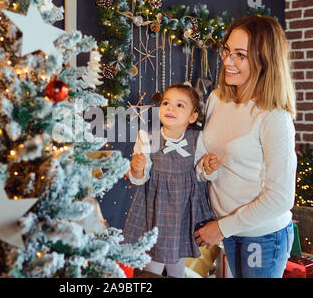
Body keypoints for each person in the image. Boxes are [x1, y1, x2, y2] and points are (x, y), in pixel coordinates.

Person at [193, 15, 297, 278]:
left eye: (240, 55)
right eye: (227, 50)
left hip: (263, 235)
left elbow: (280, 197)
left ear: (264, 61)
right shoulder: (217, 98)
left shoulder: (274, 117)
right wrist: (206, 168)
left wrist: (222, 227)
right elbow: (207, 156)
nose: (227, 61)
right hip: (228, 230)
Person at [123, 83, 218, 278]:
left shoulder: (197, 139)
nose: (171, 108)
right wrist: (137, 169)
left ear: (192, 116)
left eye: (180, 105)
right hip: (156, 210)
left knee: (177, 264)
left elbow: (200, 175)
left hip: (184, 211)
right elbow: (140, 179)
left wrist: (206, 168)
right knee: (152, 265)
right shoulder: (148, 138)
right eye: (166, 103)